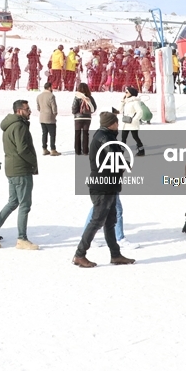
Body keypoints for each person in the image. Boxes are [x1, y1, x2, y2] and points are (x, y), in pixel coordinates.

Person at [73, 112, 136, 267]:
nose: (118, 125)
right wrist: (124, 164)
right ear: (110, 124)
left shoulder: (106, 136)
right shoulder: (104, 137)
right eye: (116, 123)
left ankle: (115, 255)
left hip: (108, 184)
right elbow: (113, 156)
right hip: (102, 186)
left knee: (110, 222)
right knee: (97, 221)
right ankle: (79, 254)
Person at [0, 100, 39, 249]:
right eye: (27, 109)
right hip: (21, 169)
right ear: (19, 111)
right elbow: (22, 149)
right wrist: (33, 161)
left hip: (12, 168)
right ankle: (22, 239)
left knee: (13, 202)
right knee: (24, 204)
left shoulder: (10, 125)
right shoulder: (19, 126)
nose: (30, 112)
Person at [71, 83, 98, 156]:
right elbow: (94, 108)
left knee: (77, 134)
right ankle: (85, 151)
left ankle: (77, 150)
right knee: (86, 134)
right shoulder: (90, 97)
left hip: (78, 118)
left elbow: (74, 108)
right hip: (87, 118)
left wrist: (75, 113)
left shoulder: (77, 97)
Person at [120, 86, 145, 156]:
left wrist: (134, 120)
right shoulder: (126, 101)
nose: (125, 94)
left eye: (127, 92)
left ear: (131, 93)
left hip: (132, 123)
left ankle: (141, 150)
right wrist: (122, 101)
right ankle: (120, 153)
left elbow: (140, 112)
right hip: (126, 122)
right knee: (123, 138)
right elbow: (119, 110)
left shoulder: (135, 102)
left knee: (135, 137)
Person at [36, 82, 60, 156]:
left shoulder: (39, 96)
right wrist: (54, 114)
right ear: (49, 87)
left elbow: (38, 108)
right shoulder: (51, 96)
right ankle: (53, 149)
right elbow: (54, 107)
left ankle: (44, 149)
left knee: (44, 133)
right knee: (52, 134)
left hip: (42, 117)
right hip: (50, 118)